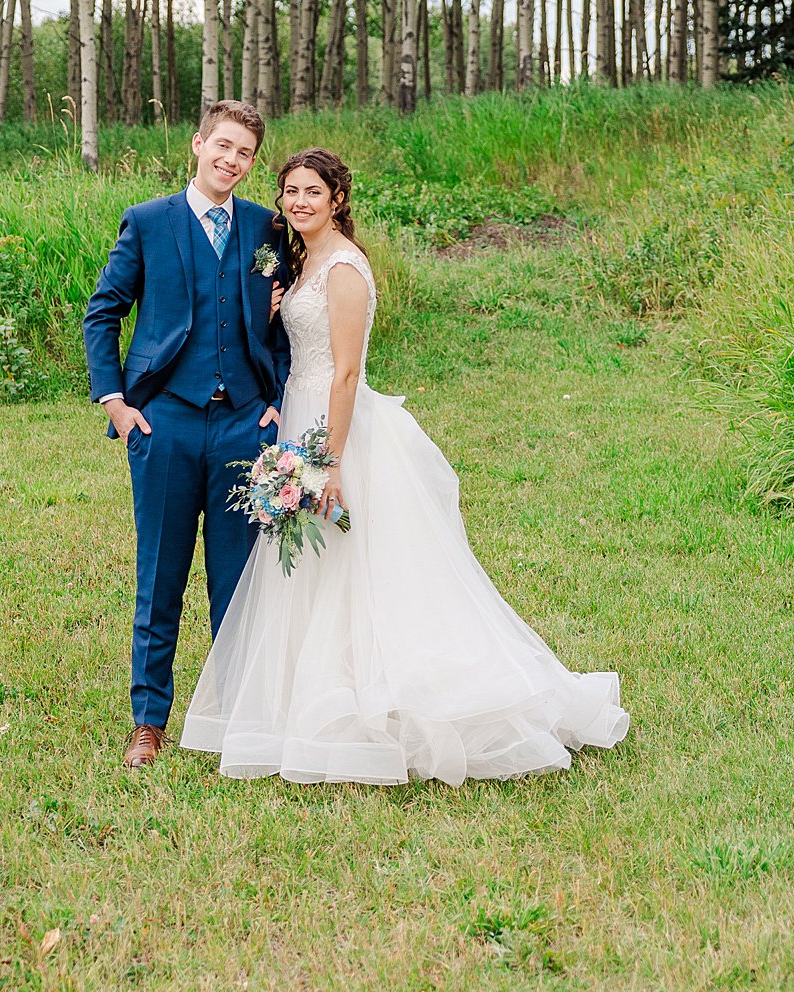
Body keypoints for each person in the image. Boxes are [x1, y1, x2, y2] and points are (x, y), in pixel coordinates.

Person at [181, 147, 631, 784]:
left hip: (332, 429)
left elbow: (344, 371)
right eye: (289, 191)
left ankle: (378, 705)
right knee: (313, 571)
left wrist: (325, 463)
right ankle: (306, 702)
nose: (298, 202)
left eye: (312, 191)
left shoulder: (342, 267)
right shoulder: (303, 263)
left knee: (357, 570)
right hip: (299, 417)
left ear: (338, 198)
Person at [83, 99, 290, 769]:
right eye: (223, 146)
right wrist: (116, 403)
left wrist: (276, 400)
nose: (232, 160)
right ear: (197, 143)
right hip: (164, 422)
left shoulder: (264, 229)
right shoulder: (148, 222)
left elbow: (286, 321)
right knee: (161, 575)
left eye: (245, 154)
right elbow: (103, 312)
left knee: (237, 579)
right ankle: (148, 722)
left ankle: (233, 714)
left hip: (242, 427)